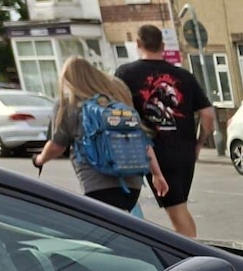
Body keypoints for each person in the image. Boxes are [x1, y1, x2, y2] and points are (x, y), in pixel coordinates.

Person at [34, 57, 169, 213]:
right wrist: (157, 174)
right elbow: (142, 140)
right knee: (121, 222)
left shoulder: (68, 104)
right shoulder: (118, 98)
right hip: (132, 181)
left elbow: (57, 146)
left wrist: (39, 160)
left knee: (105, 225)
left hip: (96, 183)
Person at [117, 25, 215, 238]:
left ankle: (192, 253)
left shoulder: (125, 74)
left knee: (176, 211)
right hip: (184, 151)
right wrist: (199, 143)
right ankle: (192, 248)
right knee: (179, 206)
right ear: (162, 45)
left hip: (154, 152)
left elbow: (118, 112)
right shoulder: (184, 76)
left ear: (138, 44)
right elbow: (208, 115)